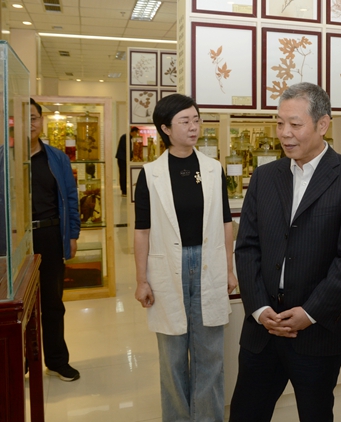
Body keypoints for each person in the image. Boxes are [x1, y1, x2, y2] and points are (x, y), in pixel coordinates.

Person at [229, 82, 341, 422]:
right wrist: (259, 308)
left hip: (317, 330)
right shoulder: (265, 176)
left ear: (322, 125)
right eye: (280, 123)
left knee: (315, 414)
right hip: (263, 329)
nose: (284, 133)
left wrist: (309, 313)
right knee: (246, 413)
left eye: (295, 124)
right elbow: (247, 246)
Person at [133, 94, 236, 422]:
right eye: (185, 121)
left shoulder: (213, 168)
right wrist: (141, 280)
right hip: (167, 268)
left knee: (210, 355)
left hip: (208, 265)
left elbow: (225, 222)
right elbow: (142, 231)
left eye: (196, 120)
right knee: (173, 357)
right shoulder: (150, 174)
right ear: (165, 129)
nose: (194, 127)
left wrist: (229, 268)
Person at [29, 98, 82, 381]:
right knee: (20, 308)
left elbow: (71, 198)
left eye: (34, 117)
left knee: (52, 302)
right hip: (16, 239)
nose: (29, 123)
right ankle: (23, 362)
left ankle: (57, 360)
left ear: (41, 121)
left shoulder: (57, 158)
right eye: (22, 118)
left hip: (49, 235)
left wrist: (72, 234)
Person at [116, 127, 138, 196]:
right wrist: (132, 156)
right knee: (123, 174)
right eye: (136, 133)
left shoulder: (128, 138)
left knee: (124, 174)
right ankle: (123, 191)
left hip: (124, 158)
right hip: (122, 159)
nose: (136, 135)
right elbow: (126, 149)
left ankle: (124, 190)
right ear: (133, 132)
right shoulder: (125, 137)